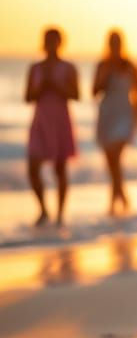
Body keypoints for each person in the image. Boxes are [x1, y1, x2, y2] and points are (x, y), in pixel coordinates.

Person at [25, 28, 79, 227]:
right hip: (40, 119)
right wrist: (41, 87)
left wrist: (56, 85)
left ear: (60, 42)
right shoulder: (35, 68)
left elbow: (76, 94)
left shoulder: (68, 67)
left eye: (54, 40)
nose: (51, 44)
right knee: (33, 167)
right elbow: (28, 96)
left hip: (60, 119)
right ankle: (43, 210)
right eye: (48, 40)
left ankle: (60, 213)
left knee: (60, 168)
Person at [93, 30, 137, 216]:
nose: (115, 46)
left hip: (124, 113)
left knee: (116, 156)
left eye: (117, 42)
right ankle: (121, 195)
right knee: (111, 160)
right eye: (112, 43)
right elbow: (94, 91)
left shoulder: (129, 66)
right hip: (107, 113)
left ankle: (115, 200)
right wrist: (106, 74)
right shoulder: (102, 65)